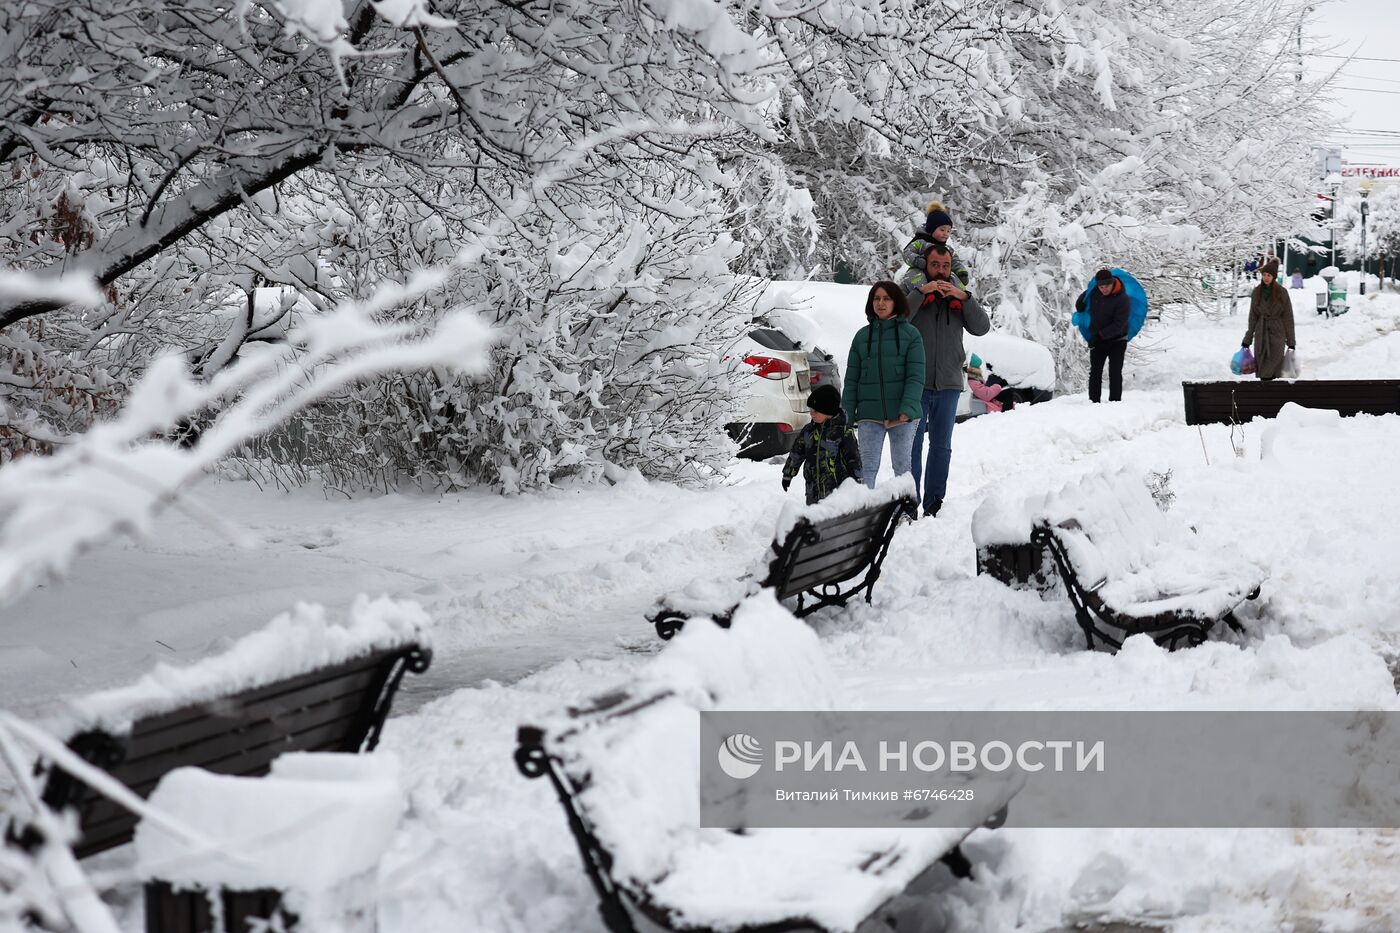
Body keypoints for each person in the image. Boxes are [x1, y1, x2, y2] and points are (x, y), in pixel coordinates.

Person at [904, 244, 990, 518]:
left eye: (945, 266)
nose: (940, 271)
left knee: (941, 446)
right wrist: (920, 293)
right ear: (925, 266)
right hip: (916, 383)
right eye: (935, 265)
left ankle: (934, 503)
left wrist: (964, 297)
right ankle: (909, 502)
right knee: (911, 446)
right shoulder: (913, 289)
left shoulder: (958, 296)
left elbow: (981, 327)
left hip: (949, 383)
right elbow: (895, 318)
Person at [842, 282, 925, 491]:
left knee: (902, 466)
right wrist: (846, 415)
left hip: (902, 416)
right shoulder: (862, 337)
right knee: (866, 467)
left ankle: (906, 511)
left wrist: (908, 407)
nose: (881, 303)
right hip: (869, 414)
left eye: (886, 298)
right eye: (876, 298)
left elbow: (915, 376)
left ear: (896, 302)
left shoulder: (911, 335)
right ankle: (864, 511)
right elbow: (851, 380)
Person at [781, 384, 862, 505]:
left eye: (815, 411)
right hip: (813, 491)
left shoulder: (843, 433)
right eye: (811, 410)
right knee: (815, 518)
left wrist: (858, 481)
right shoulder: (808, 431)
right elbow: (796, 453)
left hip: (838, 492)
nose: (811, 414)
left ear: (828, 410)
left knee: (835, 519)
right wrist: (788, 474)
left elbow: (854, 458)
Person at [1076, 268, 1130, 403]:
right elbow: (1084, 300)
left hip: (1118, 340)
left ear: (1112, 283)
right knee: (1095, 372)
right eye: (1101, 286)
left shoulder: (1123, 299)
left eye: (1107, 286)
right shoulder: (1094, 292)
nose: (1104, 289)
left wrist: (1099, 336)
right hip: (1098, 339)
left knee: (1115, 372)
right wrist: (1080, 304)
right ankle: (1093, 402)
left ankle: (1115, 402)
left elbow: (1119, 325)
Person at [1241, 258, 1295, 380]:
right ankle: (1265, 396)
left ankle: (1270, 396)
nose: (1266, 278)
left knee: (1273, 368)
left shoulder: (1282, 292)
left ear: (1274, 277)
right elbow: (1253, 317)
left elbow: (1288, 318)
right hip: (1261, 335)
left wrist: (1291, 341)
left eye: (1269, 275)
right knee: (1263, 368)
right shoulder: (1256, 292)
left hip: (1277, 334)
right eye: (1264, 275)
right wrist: (1248, 338)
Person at [898, 201, 970, 294]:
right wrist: (917, 260)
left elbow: (955, 261)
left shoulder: (947, 249)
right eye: (942, 230)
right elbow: (907, 253)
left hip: (942, 274)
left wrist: (961, 272)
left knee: (954, 279)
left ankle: (955, 297)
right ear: (932, 229)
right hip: (920, 269)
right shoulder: (921, 243)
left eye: (948, 231)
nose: (946, 234)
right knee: (914, 276)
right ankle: (926, 293)